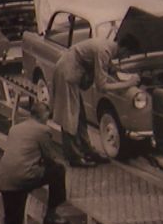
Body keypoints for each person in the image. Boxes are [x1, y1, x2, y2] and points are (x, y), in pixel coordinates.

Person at [0, 87, 69, 224]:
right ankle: (51, 214)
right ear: (43, 116)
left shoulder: (15, 128)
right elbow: (50, 158)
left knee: (12, 222)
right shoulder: (43, 130)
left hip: (5, 179)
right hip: (24, 178)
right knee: (58, 170)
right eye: (47, 116)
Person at [51, 36, 134, 166]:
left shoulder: (107, 47)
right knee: (70, 117)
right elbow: (102, 86)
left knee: (80, 116)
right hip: (67, 74)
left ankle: (87, 150)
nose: (127, 57)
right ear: (124, 49)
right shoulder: (104, 51)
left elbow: (109, 69)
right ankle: (74, 157)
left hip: (70, 71)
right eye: (128, 54)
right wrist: (128, 83)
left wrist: (122, 74)